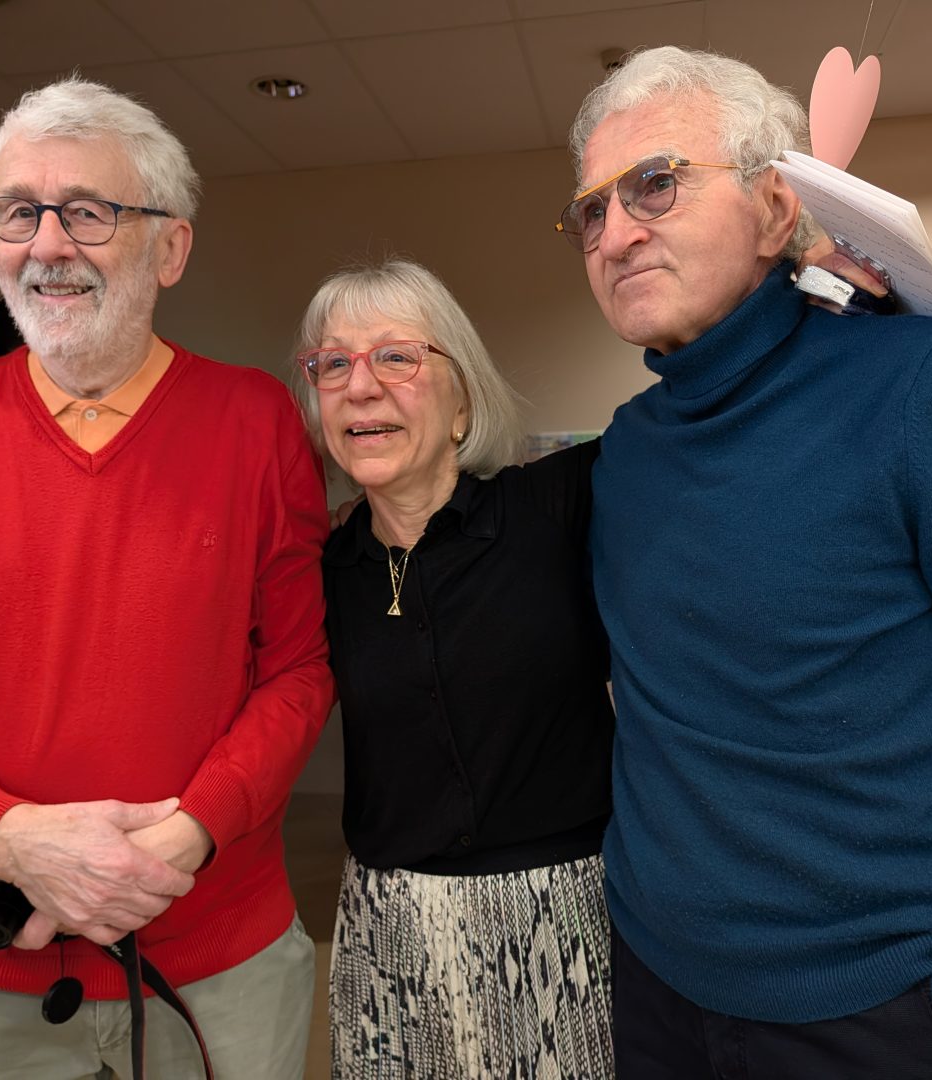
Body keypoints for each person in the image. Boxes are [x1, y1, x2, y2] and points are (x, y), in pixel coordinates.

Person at [559, 46, 932, 1080]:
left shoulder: (931, 390)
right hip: (656, 991)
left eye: (654, 183)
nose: (615, 232)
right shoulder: (625, 456)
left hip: (885, 1018)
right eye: (591, 211)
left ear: (775, 209)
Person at [0, 76, 332, 1079]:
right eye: (18, 211)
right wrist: (13, 842)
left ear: (170, 248)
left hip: (216, 959)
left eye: (88, 211)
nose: (47, 245)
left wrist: (185, 839)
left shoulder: (256, 422)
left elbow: (300, 672)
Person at [292, 258, 616, 1079]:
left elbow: (701, 410)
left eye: (396, 357)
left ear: (462, 401)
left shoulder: (558, 508)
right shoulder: (320, 571)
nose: (361, 387)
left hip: (564, 923)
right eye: (333, 364)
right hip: (390, 931)